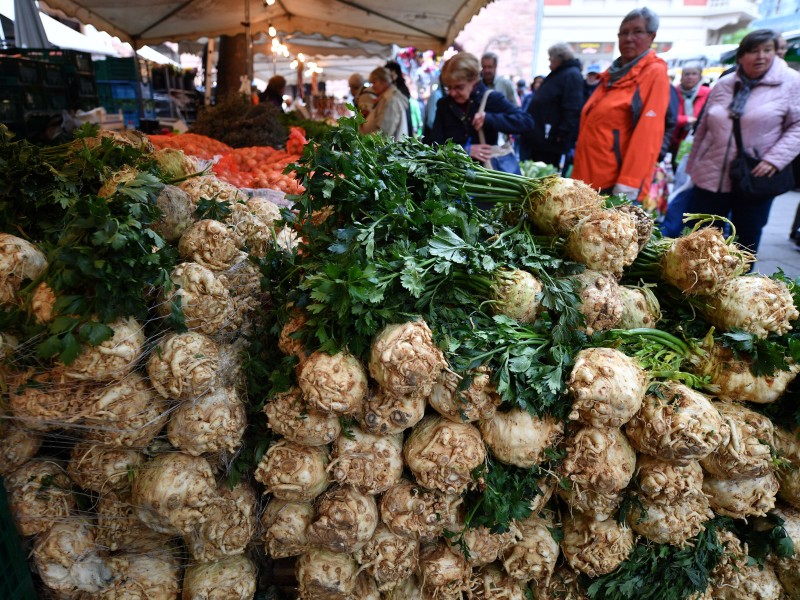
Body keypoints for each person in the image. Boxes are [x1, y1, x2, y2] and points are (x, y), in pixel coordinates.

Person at [684, 29, 800, 252]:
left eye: (767, 50)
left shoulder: (791, 83)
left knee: (745, 238)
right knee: (700, 237)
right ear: (741, 56)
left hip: (754, 175)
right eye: (753, 51)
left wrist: (775, 159)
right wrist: (693, 166)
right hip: (711, 172)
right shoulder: (725, 83)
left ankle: (739, 285)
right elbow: (704, 127)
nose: (761, 56)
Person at [571, 7, 671, 202]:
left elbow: (648, 134)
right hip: (587, 178)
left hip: (612, 186)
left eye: (637, 32)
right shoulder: (612, 75)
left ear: (652, 36)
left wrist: (627, 187)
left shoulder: (654, 73)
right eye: (624, 33)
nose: (629, 38)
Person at [427, 52, 533, 165]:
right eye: (449, 87)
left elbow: (526, 122)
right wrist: (463, 150)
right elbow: (433, 144)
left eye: (459, 87)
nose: (452, 93)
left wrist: (489, 118)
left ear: (474, 80)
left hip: (485, 173)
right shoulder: (444, 104)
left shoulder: (491, 99)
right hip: (452, 174)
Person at [518, 42, 585, 168]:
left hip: (550, 141)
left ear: (559, 58)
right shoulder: (560, 73)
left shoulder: (571, 75)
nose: (549, 62)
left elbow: (572, 108)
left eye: (551, 58)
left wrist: (561, 134)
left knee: (543, 173)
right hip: (541, 138)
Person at [669, 62, 710, 161]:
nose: (690, 77)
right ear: (681, 77)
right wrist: (686, 119)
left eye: (694, 74)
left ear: (700, 77)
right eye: (687, 74)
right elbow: (667, 116)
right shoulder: (673, 92)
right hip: (674, 140)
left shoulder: (708, 93)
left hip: (697, 141)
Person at [359, 67, 409, 139]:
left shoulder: (391, 100)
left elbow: (384, 133)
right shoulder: (386, 98)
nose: (372, 87)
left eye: (374, 82)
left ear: (384, 81)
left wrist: (366, 142)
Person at [384, 60, 414, 135]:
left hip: (401, 124)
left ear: (395, 73)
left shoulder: (400, 89)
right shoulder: (400, 87)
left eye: (390, 73)